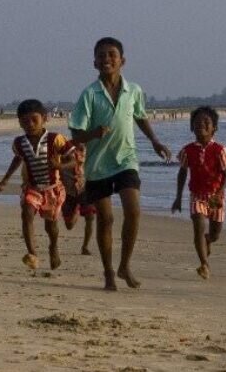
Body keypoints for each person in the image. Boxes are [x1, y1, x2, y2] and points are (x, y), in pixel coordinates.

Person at [68, 37, 171, 290]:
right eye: (101, 55)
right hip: (97, 165)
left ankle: (125, 265)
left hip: (126, 160)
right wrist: (93, 135)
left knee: (133, 210)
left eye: (111, 54)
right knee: (105, 219)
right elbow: (75, 134)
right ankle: (108, 273)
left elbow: (140, 117)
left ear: (122, 61)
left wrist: (155, 141)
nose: (106, 59)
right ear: (94, 62)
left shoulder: (133, 90)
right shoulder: (89, 94)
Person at [0, 99, 76, 270]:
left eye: (34, 120)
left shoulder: (56, 139)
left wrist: (60, 166)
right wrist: (5, 180)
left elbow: (73, 159)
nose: (30, 124)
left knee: (51, 225)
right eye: (25, 122)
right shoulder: (19, 143)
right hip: (32, 188)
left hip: (52, 189)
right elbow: (18, 159)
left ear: (44, 118)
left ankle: (53, 247)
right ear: (19, 123)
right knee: (26, 213)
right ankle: (32, 253)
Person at [171, 106, 226, 280]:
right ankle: (204, 264)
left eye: (206, 123)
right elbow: (182, 173)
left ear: (214, 127)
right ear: (192, 127)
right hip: (197, 195)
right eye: (197, 123)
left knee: (215, 234)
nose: (202, 126)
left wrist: (219, 194)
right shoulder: (187, 150)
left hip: (216, 196)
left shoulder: (221, 150)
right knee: (198, 225)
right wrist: (178, 198)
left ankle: (208, 240)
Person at [60, 142, 96, 255]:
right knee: (69, 225)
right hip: (68, 191)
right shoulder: (66, 149)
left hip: (84, 189)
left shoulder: (91, 149)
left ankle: (85, 246)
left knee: (90, 217)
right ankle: (76, 209)